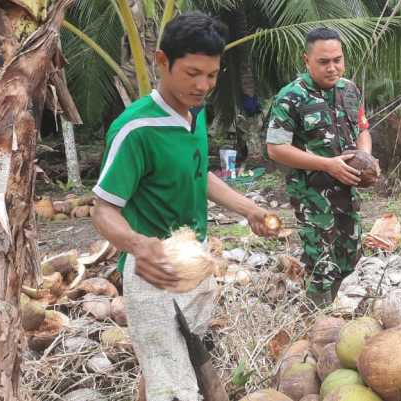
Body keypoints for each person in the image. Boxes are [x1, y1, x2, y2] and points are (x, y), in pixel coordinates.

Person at [91, 12, 278, 401]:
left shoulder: (196, 112)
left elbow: (198, 174)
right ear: (162, 61)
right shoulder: (135, 130)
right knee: (176, 387)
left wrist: (249, 209)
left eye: (211, 75)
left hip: (195, 265)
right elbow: (103, 210)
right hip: (153, 275)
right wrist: (139, 245)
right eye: (192, 73)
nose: (203, 85)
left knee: (172, 369)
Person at [265, 28, 375, 307]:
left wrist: (365, 159)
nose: (332, 67)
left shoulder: (350, 90)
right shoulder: (291, 96)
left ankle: (336, 311)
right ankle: (315, 320)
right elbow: (276, 149)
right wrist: (327, 165)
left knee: (350, 256)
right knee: (320, 262)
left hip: (348, 191)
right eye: (324, 62)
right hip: (311, 195)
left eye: (337, 60)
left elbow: (363, 129)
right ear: (307, 60)